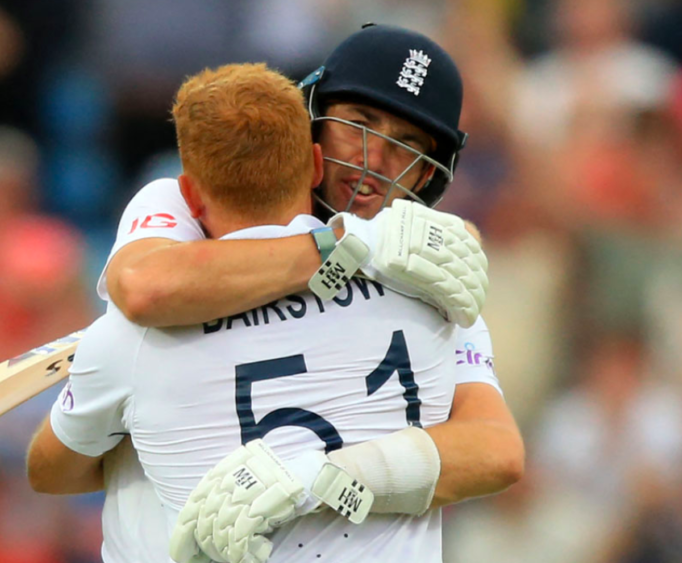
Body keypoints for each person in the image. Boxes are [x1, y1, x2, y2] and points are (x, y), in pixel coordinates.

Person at [91, 23, 522, 561]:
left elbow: (496, 450)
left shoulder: (427, 278)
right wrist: (349, 243)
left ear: (429, 177)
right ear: (313, 116)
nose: (373, 161)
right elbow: (142, 287)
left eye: (408, 145)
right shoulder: (192, 198)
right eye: (360, 123)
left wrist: (321, 478)